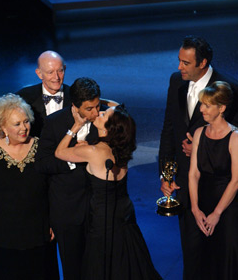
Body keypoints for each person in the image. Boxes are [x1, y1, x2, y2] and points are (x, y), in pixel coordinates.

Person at [159, 35, 238, 279]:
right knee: (193, 252)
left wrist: (206, 148)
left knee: (224, 254)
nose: (179, 67)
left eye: (185, 63)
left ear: (202, 63)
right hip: (188, 183)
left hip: (220, 183)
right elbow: (169, 128)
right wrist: (166, 174)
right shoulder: (176, 82)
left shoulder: (230, 88)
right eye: (179, 61)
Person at [55, 104, 162, 280]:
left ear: (109, 127)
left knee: (102, 266)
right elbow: (117, 109)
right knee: (125, 263)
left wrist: (76, 126)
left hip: (102, 218)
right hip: (125, 214)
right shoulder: (121, 150)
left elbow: (59, 152)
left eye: (104, 114)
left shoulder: (93, 151)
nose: (99, 112)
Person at [0, 93, 58, 279]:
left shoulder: (41, 149)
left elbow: (54, 187)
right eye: (17, 124)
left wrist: (54, 221)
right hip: (2, 233)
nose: (24, 128)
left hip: (37, 230)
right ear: (3, 127)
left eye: (26, 121)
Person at [35, 77, 113, 280]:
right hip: (68, 211)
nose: (95, 113)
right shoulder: (54, 123)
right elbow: (42, 163)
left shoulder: (105, 120)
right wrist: (73, 159)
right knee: (73, 270)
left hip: (99, 208)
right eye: (89, 109)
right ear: (75, 106)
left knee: (103, 267)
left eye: (97, 106)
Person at [188, 81, 238, 279]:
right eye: (201, 104)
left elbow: (236, 181)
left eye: (207, 105)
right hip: (204, 203)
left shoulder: (235, 137)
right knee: (206, 258)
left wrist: (217, 213)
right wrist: (195, 208)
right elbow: (193, 174)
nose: (201, 109)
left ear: (221, 108)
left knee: (229, 256)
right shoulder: (199, 133)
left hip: (228, 207)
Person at [17, 50, 117, 137]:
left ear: (64, 68)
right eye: (50, 72)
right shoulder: (24, 96)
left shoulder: (75, 95)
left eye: (60, 71)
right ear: (39, 73)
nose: (56, 77)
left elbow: (116, 109)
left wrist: (102, 101)